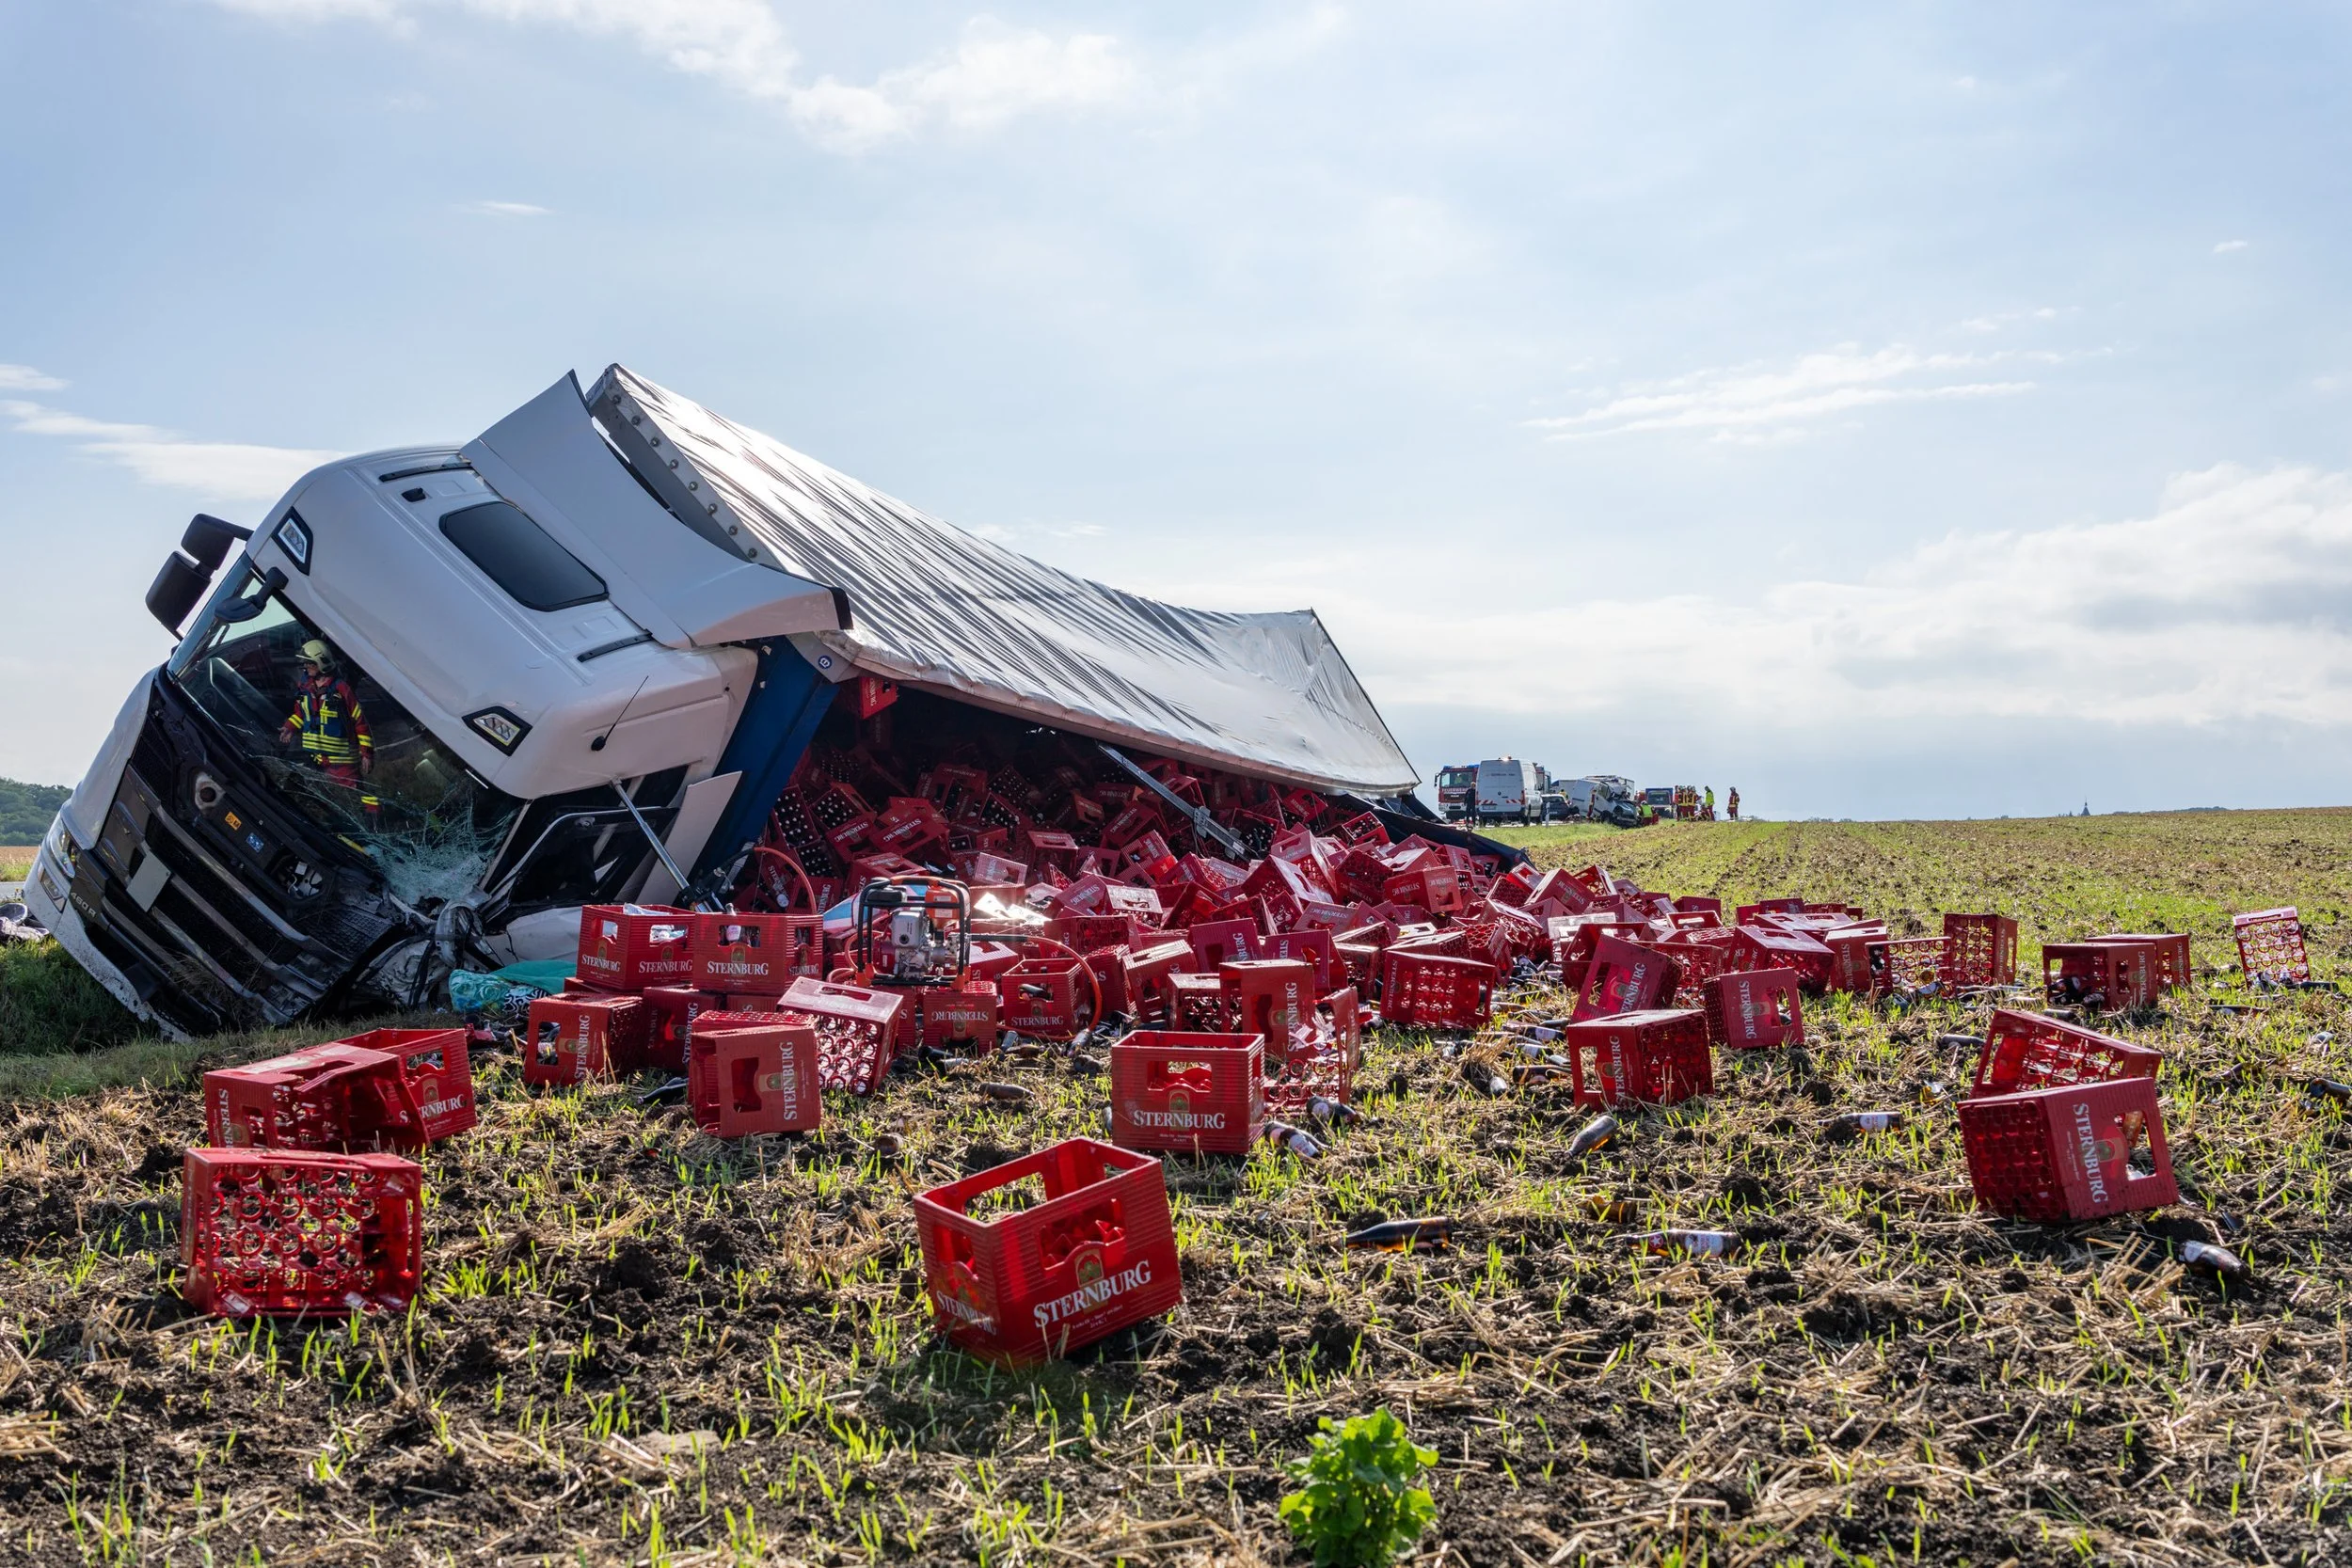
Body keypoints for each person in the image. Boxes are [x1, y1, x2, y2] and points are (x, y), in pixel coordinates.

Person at [279, 640, 377, 816]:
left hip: (340, 758)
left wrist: (366, 754)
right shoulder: (305, 687)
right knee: (297, 787)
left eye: (309, 663)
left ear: (321, 662)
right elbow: (301, 714)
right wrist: (289, 727)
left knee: (360, 793)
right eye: (305, 663)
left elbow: (359, 722)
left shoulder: (341, 690)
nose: (306, 667)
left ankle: (376, 821)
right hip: (313, 756)